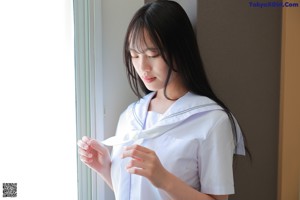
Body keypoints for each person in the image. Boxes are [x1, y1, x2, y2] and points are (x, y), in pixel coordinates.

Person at [77, 1, 249, 200]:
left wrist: (163, 179)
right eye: (134, 55)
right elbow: (133, 193)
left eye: (153, 54)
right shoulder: (130, 116)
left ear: (179, 50)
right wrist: (105, 168)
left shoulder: (211, 120)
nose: (142, 67)